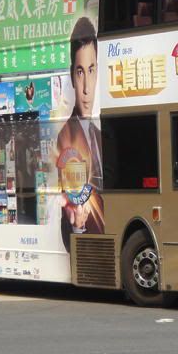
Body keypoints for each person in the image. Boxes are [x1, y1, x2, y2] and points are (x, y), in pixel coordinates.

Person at [56, 17, 104, 250]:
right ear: (72, 78)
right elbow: (72, 210)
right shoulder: (67, 136)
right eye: (80, 72)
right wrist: (78, 226)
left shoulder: (99, 134)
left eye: (91, 70)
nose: (86, 88)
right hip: (88, 246)